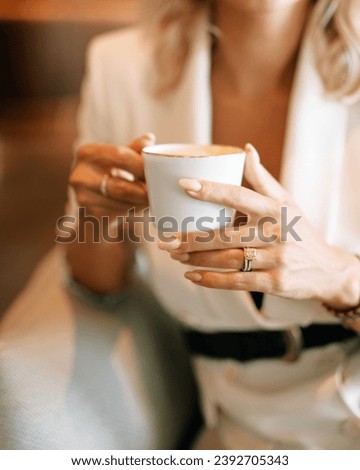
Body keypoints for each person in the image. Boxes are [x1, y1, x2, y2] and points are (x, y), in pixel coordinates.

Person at [67, 0, 360, 449]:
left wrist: (340, 277)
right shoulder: (120, 68)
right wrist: (95, 217)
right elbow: (99, 282)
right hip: (240, 435)